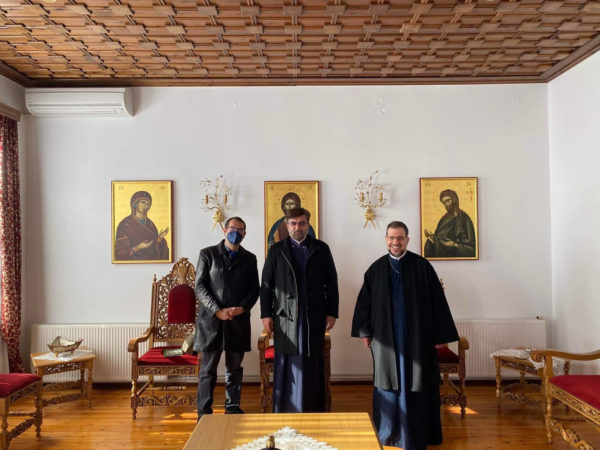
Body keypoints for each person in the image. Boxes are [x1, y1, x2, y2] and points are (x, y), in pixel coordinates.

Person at [351, 221, 459, 449]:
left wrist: (441, 335)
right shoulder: (375, 269)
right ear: (386, 239)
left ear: (407, 240)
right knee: (388, 383)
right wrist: (364, 331)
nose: (395, 242)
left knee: (418, 382)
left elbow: (438, 302)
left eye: (400, 238)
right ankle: (389, 434)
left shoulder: (422, 267)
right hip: (385, 339)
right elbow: (364, 304)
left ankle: (418, 435)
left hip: (419, 338)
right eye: (391, 237)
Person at [260, 207, 338, 412]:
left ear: (308, 225)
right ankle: (285, 409)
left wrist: (332, 312)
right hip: (285, 317)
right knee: (288, 361)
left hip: (314, 314)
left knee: (312, 360)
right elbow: (266, 285)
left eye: (302, 223)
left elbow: (331, 283)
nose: (298, 227)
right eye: (293, 224)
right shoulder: (276, 250)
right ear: (287, 225)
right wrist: (266, 314)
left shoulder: (321, 249)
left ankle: (313, 409)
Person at [192, 216, 260, 418]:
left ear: (244, 234)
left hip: (237, 320)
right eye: (232, 228)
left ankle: (232, 407)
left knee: (234, 368)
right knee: (208, 369)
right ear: (224, 230)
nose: (235, 232)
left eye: (240, 230)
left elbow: (254, 289)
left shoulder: (250, 258)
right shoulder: (208, 254)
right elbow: (200, 287)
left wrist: (242, 308)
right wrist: (217, 310)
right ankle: (204, 411)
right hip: (211, 321)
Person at [114, 190, 169, 261]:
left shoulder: (150, 224)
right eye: (143, 202)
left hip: (151, 261)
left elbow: (155, 246)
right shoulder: (125, 224)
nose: (145, 206)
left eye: (148, 204)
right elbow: (120, 253)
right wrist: (138, 248)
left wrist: (159, 238)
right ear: (135, 203)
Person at [424, 189, 476, 258]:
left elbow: (472, 248)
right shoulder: (443, 220)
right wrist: (433, 239)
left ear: (454, 200)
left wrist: (455, 245)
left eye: (448, 201)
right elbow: (439, 242)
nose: (446, 204)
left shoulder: (464, 218)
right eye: (444, 203)